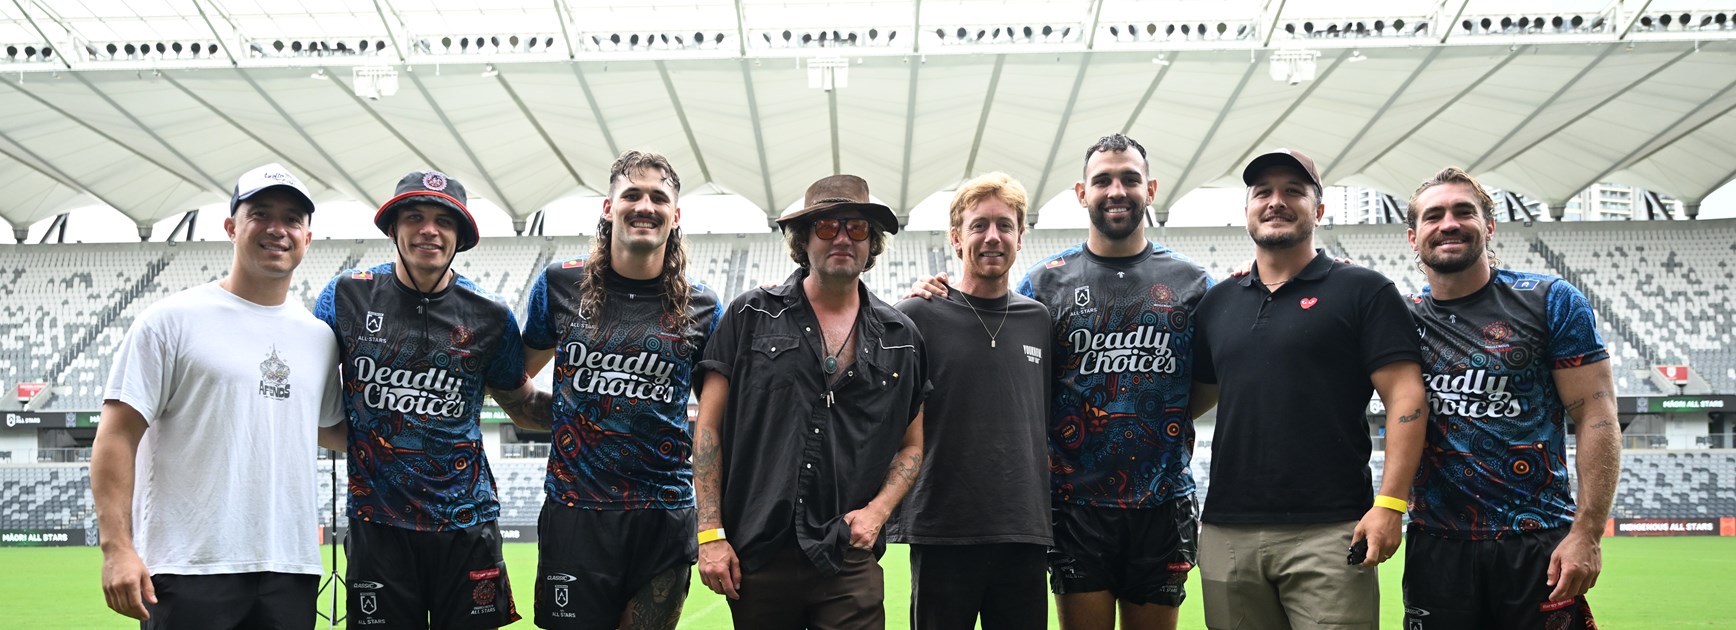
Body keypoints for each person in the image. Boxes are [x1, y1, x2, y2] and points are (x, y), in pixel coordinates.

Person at [915, 134, 1214, 630]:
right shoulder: (1043, 285)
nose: (1116, 190)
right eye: (1103, 180)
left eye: (1129, 179)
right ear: (1082, 193)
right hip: (1074, 503)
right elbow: (988, 325)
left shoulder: (1193, 283)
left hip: (1162, 501)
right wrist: (937, 292)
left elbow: (1214, 375)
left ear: (1151, 188)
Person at [93, 163, 345, 628]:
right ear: (231, 227)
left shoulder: (319, 338)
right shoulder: (171, 320)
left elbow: (331, 429)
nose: (278, 229)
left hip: (290, 568)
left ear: (308, 238)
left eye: (293, 219)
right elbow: (116, 435)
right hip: (189, 565)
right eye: (260, 214)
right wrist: (117, 548)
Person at [1190, 149, 1428, 630]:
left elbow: (1407, 396)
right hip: (1226, 533)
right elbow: (1192, 400)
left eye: (1294, 192)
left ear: (1319, 211)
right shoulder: (1217, 302)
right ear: (1248, 210)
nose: (1276, 201)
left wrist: (1390, 504)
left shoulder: (1364, 291)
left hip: (1331, 530)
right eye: (1264, 192)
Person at [692, 174, 929, 629]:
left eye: (856, 227)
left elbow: (913, 444)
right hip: (757, 553)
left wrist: (879, 512)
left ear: (872, 242)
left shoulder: (903, 337)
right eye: (826, 226)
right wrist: (710, 535)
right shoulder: (750, 315)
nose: (842, 237)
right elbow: (707, 429)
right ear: (803, 240)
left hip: (848, 556)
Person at [314, 170, 542, 629]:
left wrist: (606, 414)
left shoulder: (491, 314)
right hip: (377, 526)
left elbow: (521, 403)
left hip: (466, 523)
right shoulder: (345, 296)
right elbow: (306, 398)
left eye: (444, 220)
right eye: (414, 216)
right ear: (393, 228)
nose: (428, 230)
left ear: (460, 235)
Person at [1401, 167, 1620, 629]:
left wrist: (1588, 532)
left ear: (1489, 226)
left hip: (1537, 543)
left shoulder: (1549, 300)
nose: (1449, 224)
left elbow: (1597, 416)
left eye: (1464, 212)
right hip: (1437, 544)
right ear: (1412, 236)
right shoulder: (1401, 318)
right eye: (1433, 215)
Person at [516, 150, 721, 629]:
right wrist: (562, 415)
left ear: (676, 214)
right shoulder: (559, 285)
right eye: (631, 194)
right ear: (609, 209)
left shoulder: (704, 306)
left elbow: (715, 419)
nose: (644, 205)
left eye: (658, 197)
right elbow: (516, 377)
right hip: (576, 511)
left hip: (663, 513)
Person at [889, 172, 1052, 630]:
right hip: (943, 529)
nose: (992, 237)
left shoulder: (1038, 319)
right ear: (957, 238)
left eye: (1004, 225)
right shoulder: (916, 314)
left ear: (1021, 237)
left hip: (1024, 529)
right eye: (979, 225)